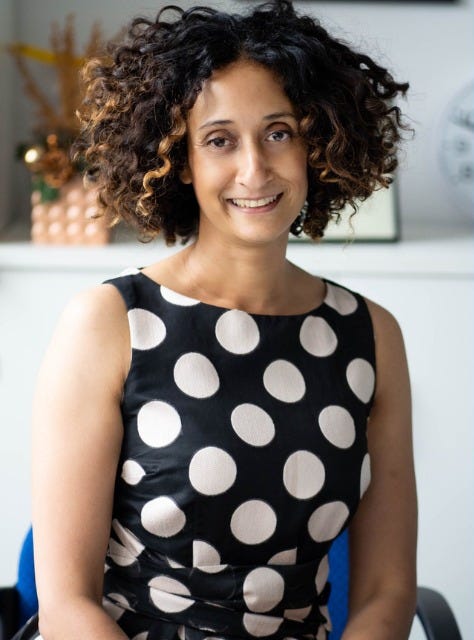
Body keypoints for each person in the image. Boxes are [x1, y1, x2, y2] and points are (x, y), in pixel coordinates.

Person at [19, 1, 418, 639]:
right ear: (180, 158)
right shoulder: (109, 323)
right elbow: (67, 604)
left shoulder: (370, 336)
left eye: (279, 132)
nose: (254, 169)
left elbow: (385, 593)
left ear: (317, 142)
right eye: (220, 140)